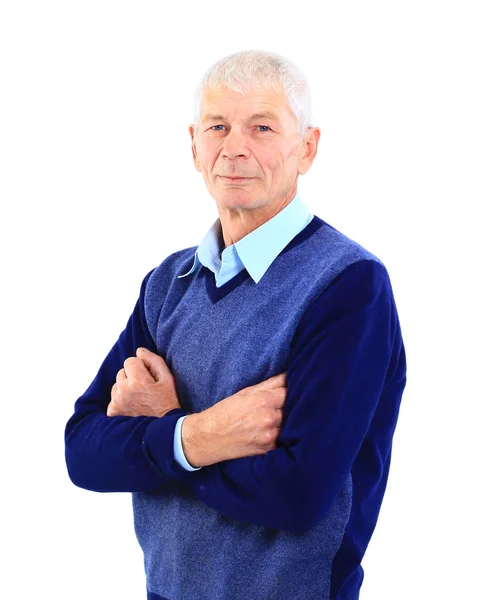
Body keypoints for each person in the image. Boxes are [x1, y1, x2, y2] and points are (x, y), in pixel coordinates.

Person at [65, 49, 407, 600]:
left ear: (308, 148)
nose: (235, 147)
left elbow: (297, 495)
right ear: (194, 146)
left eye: (263, 127)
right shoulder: (166, 284)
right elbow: (83, 450)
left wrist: (160, 436)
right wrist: (200, 435)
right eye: (218, 126)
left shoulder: (348, 288)